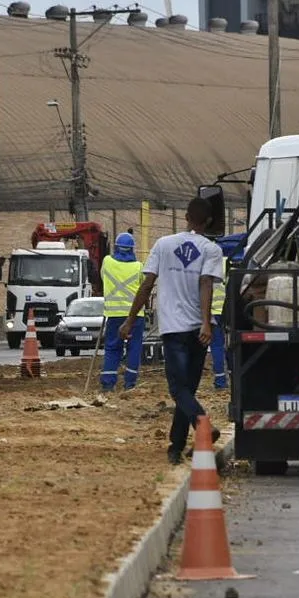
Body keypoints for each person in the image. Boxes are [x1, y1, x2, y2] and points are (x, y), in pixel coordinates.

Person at [122, 197, 225, 464]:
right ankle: (175, 447)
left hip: (174, 330)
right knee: (186, 389)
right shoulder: (211, 249)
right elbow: (206, 285)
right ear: (209, 221)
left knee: (179, 389)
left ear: (186, 217)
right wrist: (205, 322)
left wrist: (130, 320)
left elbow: (146, 286)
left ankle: (202, 426)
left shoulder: (163, 245)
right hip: (199, 331)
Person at [99, 231, 145, 391]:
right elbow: (144, 287)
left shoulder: (107, 262)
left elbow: (103, 278)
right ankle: (130, 383)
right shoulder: (139, 267)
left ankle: (108, 383)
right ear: (132, 249)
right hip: (135, 316)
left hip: (114, 314)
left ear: (117, 247)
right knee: (134, 347)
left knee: (112, 347)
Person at [208, 255, 229, 390]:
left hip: (213, 311)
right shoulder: (227, 261)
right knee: (231, 345)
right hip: (228, 310)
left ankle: (220, 381)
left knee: (217, 346)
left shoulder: (204, 262)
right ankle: (233, 377)